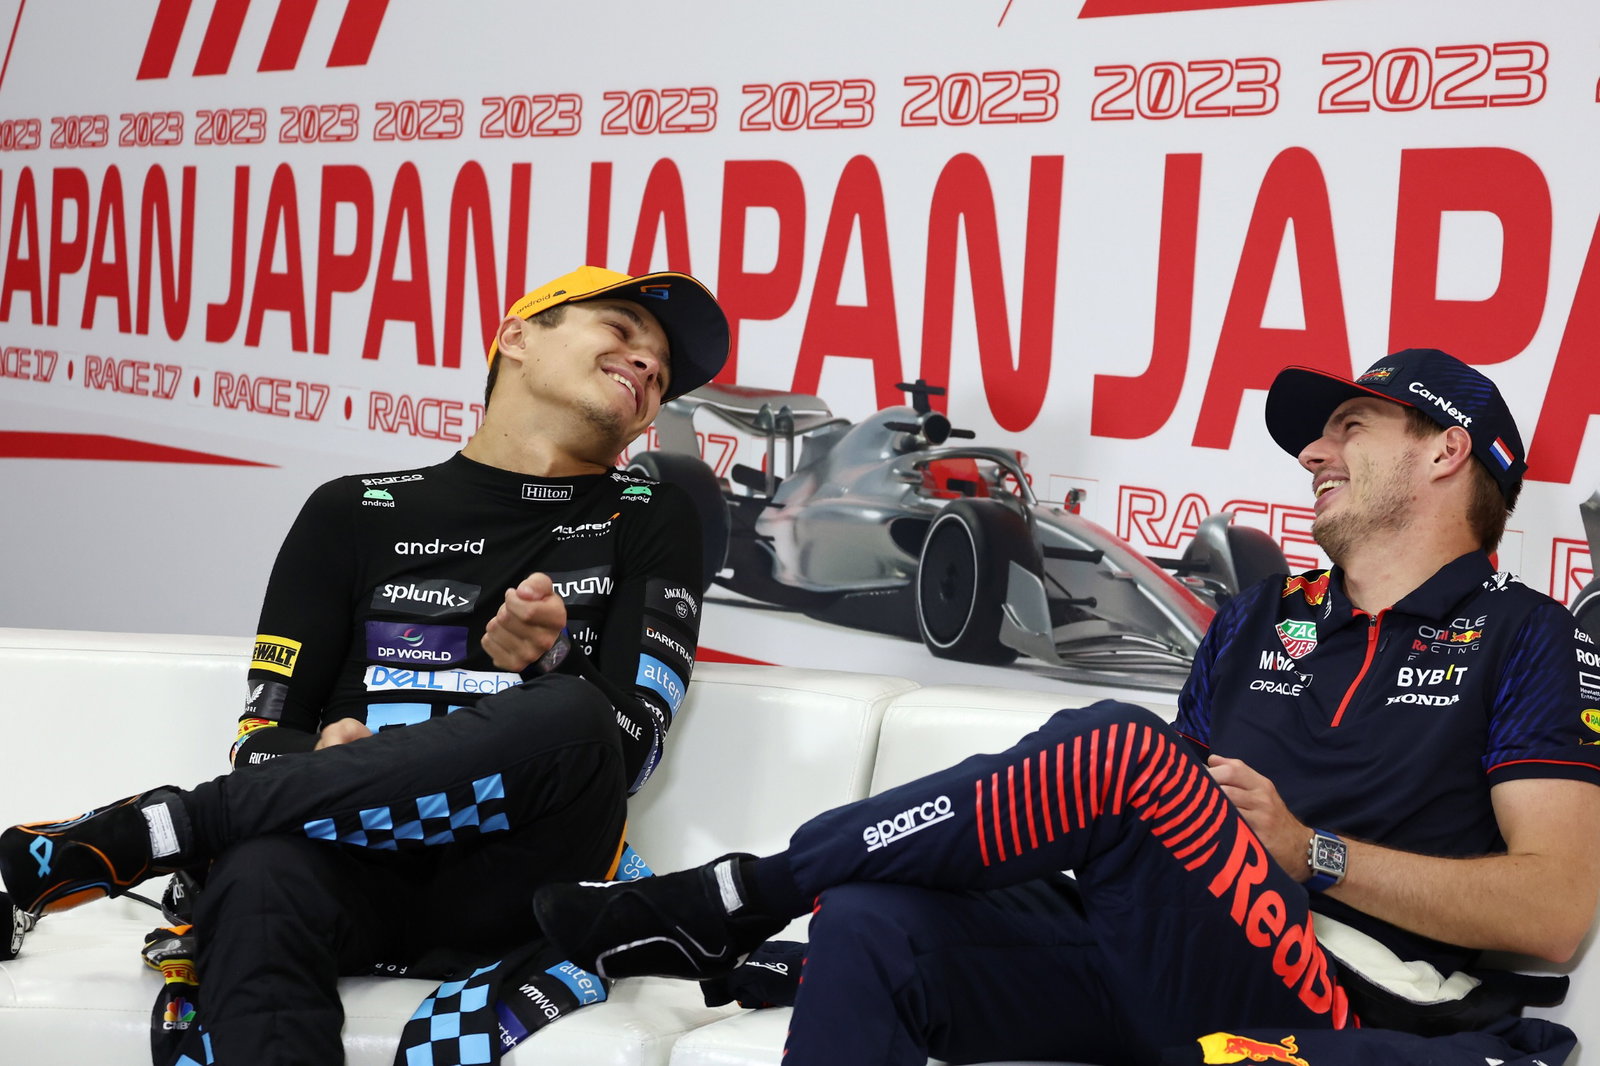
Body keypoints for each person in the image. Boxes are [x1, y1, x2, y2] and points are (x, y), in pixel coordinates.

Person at [532, 348, 1600, 1065]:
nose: (1312, 452)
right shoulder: (1260, 617)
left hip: (1340, 999)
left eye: (1349, 428)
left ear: (1444, 449)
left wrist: (1310, 851)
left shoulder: (1526, 634)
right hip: (1173, 947)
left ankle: (739, 893)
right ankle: (765, 905)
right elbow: (1154, 826)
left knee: (1123, 751)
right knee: (872, 925)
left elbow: (1553, 916)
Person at [0, 265, 729, 1064]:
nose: (649, 365)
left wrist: (551, 659)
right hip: (351, 853)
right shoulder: (351, 509)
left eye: (662, 368)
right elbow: (260, 746)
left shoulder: (653, 514)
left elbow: (626, 751)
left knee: (572, 713)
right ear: (518, 336)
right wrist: (317, 758)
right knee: (259, 875)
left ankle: (154, 828)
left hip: (522, 872)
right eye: (622, 330)